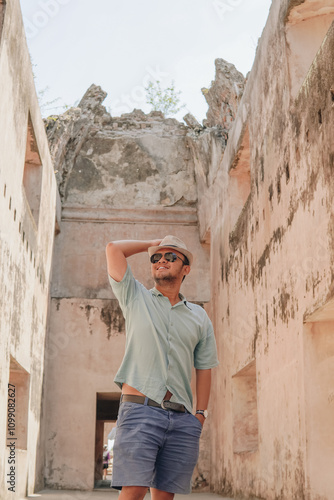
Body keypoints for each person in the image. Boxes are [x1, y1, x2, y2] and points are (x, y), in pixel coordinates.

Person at [105, 235, 219, 500]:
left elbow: (204, 367)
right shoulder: (135, 297)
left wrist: (199, 415)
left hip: (182, 419)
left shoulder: (199, 317)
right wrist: (154, 243)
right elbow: (113, 249)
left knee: (164, 497)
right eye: (156, 258)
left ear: (186, 268)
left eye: (171, 256)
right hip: (140, 411)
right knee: (133, 492)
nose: (162, 260)